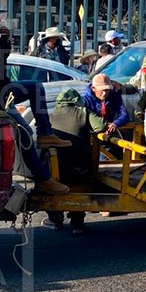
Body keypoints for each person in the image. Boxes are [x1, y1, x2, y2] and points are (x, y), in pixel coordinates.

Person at [0, 0, 69, 194]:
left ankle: (45, 134)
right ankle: (44, 178)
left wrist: (4, 45)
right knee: (24, 131)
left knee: (35, 88)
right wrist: (7, 90)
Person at [44, 88, 109, 234]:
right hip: (80, 168)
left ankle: (55, 219)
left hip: (56, 169)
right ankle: (77, 223)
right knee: (80, 187)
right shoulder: (83, 112)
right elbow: (101, 126)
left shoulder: (50, 116)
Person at [83, 73, 131, 137]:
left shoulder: (114, 96)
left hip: (109, 131)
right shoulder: (85, 100)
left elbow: (124, 115)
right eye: (101, 90)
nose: (104, 93)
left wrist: (115, 123)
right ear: (93, 88)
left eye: (107, 90)